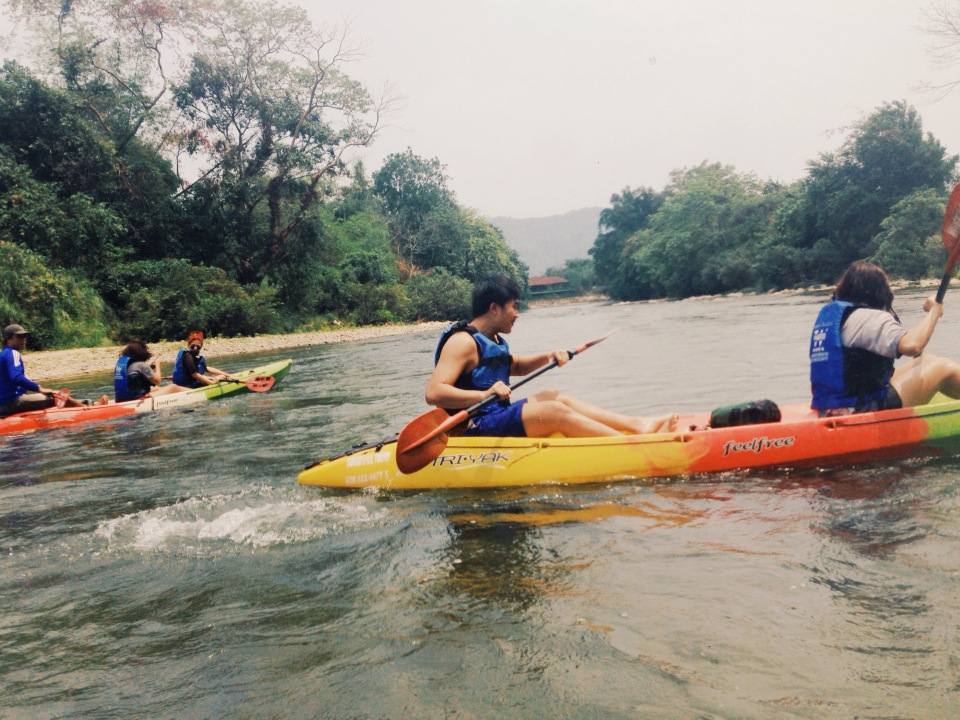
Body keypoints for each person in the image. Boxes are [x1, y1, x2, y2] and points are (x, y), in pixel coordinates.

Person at [425, 276, 678, 437]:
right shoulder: (462, 342)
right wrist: (483, 395)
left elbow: (516, 366)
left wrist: (550, 356)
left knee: (555, 396)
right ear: (494, 308)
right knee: (553, 410)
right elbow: (434, 393)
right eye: (514, 306)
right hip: (474, 426)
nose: (517, 313)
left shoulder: (494, 340)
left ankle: (637, 426)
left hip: (495, 415)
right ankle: (628, 447)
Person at [810, 260, 960, 416]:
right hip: (861, 409)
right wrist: (934, 311)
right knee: (943, 367)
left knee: (925, 361)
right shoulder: (868, 317)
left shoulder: (833, 316)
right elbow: (913, 346)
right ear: (879, 292)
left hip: (829, 407)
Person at [0, 323, 86, 416]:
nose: (24, 339)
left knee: (52, 395)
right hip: (11, 403)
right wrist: (39, 389)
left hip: (4, 405)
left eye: (25, 336)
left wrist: (36, 385)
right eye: (20, 336)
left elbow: (14, 379)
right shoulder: (12, 353)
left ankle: (88, 403)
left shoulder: (3, 354)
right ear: (9, 339)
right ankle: (86, 410)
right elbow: (16, 377)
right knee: (57, 396)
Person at [114, 340, 187, 402]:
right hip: (139, 399)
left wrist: (150, 369)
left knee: (156, 388)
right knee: (173, 387)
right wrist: (158, 365)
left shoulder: (126, 366)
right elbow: (158, 381)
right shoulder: (141, 365)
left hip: (125, 398)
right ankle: (193, 392)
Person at [171, 330, 235, 388]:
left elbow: (206, 368)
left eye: (198, 346)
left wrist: (227, 374)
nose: (195, 348)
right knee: (221, 377)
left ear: (201, 346)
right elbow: (194, 375)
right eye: (193, 346)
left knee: (220, 376)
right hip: (188, 386)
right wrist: (212, 383)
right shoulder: (188, 356)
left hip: (184, 383)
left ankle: (223, 376)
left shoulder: (193, 356)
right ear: (189, 345)